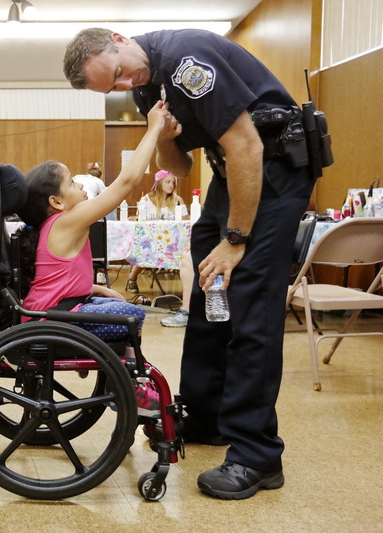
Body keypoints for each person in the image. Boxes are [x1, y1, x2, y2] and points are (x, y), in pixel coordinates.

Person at [65, 28, 317, 500]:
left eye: (118, 73)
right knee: (206, 294)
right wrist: (164, 137)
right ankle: (206, 419)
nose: (125, 85)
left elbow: (248, 146)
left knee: (248, 306)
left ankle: (257, 456)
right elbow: (177, 168)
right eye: (112, 88)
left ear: (119, 39)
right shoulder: (145, 85)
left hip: (274, 168)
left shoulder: (185, 60)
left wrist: (236, 239)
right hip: (232, 173)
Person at [14, 100, 167, 417]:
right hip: (53, 321)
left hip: (52, 312)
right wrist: (153, 127)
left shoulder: (54, 226)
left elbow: (59, 279)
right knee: (131, 315)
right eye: (72, 182)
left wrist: (98, 289)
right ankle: (127, 383)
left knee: (118, 304)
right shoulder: (68, 220)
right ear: (56, 201)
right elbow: (126, 182)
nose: (81, 184)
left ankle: (121, 373)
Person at [126, 169, 188, 293]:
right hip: (151, 238)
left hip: (172, 240)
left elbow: (185, 223)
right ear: (159, 183)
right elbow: (140, 220)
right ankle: (132, 278)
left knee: (185, 252)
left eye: (173, 183)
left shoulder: (178, 201)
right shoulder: (146, 200)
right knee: (148, 248)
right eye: (168, 182)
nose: (171, 185)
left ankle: (188, 286)